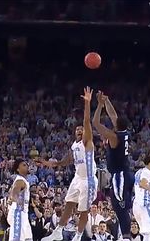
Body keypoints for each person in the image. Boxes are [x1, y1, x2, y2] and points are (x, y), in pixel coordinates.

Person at [39, 86, 98, 241]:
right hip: (78, 178)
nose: (79, 131)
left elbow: (86, 121)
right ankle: (58, 232)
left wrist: (87, 103)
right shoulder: (75, 145)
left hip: (89, 180)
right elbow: (69, 159)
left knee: (83, 210)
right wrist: (54, 164)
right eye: (77, 130)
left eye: (82, 130)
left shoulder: (87, 142)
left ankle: (78, 236)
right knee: (69, 203)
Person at [92, 91, 134, 240]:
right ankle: (127, 235)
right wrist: (107, 100)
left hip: (119, 175)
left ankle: (127, 236)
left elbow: (96, 124)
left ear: (116, 126)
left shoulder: (115, 137)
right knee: (123, 206)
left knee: (120, 207)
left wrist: (99, 105)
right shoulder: (124, 132)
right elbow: (113, 115)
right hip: (126, 173)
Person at [7, 158, 32, 241]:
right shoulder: (20, 181)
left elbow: (11, 192)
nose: (27, 166)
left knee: (28, 239)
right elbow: (14, 193)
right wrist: (14, 198)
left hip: (23, 213)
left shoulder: (22, 180)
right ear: (18, 169)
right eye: (24, 165)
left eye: (26, 164)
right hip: (18, 213)